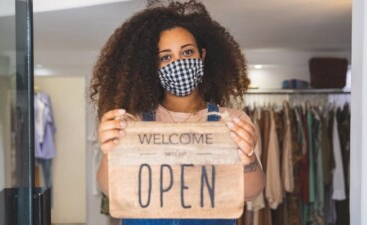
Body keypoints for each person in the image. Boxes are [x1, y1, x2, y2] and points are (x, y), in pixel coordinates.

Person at [91, 1, 266, 224]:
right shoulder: (132, 123)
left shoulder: (232, 122)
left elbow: (252, 192)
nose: (178, 63)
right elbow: (111, 189)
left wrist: (248, 157)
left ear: (201, 56)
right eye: (166, 57)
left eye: (187, 52)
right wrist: (109, 154)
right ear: (152, 66)